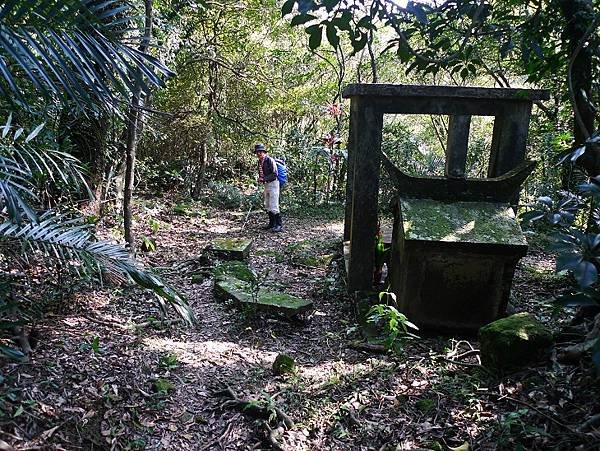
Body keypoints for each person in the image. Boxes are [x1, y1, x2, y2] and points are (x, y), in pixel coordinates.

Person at [254, 143, 283, 232]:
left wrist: (263, 179)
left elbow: (275, 174)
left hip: (274, 184)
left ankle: (279, 225)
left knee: (274, 204)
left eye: (260, 152)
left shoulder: (270, 160)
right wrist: (261, 179)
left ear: (264, 152)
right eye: (257, 152)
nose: (259, 153)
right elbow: (261, 172)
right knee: (268, 205)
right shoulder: (259, 162)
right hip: (266, 184)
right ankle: (271, 224)